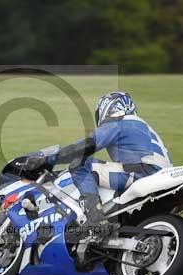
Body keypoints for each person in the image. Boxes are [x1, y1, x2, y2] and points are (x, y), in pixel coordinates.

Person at [19, 91, 173, 233]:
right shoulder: (142, 125)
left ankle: (95, 220)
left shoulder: (118, 121)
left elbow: (87, 145)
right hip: (160, 175)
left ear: (108, 107)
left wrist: (49, 159)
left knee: (81, 163)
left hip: (143, 172)